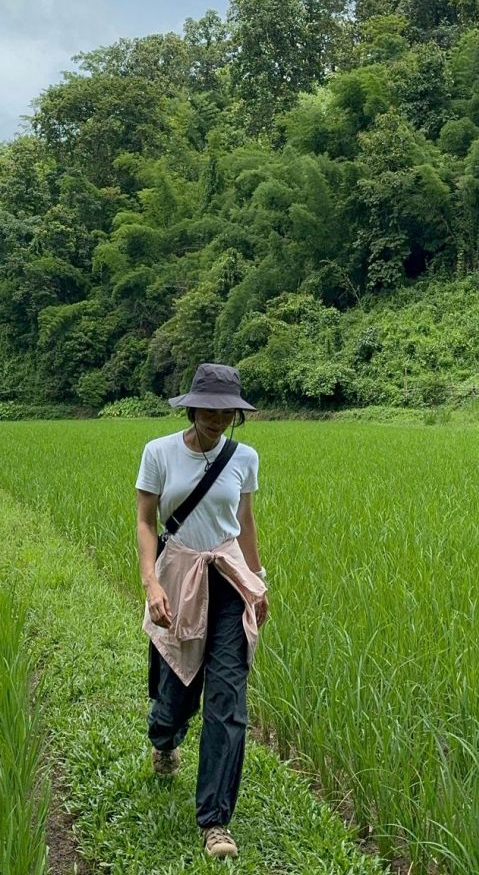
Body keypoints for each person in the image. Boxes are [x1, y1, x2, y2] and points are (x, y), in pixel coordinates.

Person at [136, 363, 269, 860]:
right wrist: (151, 583)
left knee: (228, 702)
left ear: (237, 413)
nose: (217, 418)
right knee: (175, 694)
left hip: (230, 582)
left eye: (227, 410)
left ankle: (215, 822)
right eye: (209, 408)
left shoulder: (244, 458)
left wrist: (258, 583)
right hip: (178, 580)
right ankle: (163, 739)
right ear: (192, 406)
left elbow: (244, 521)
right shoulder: (159, 453)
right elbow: (146, 523)